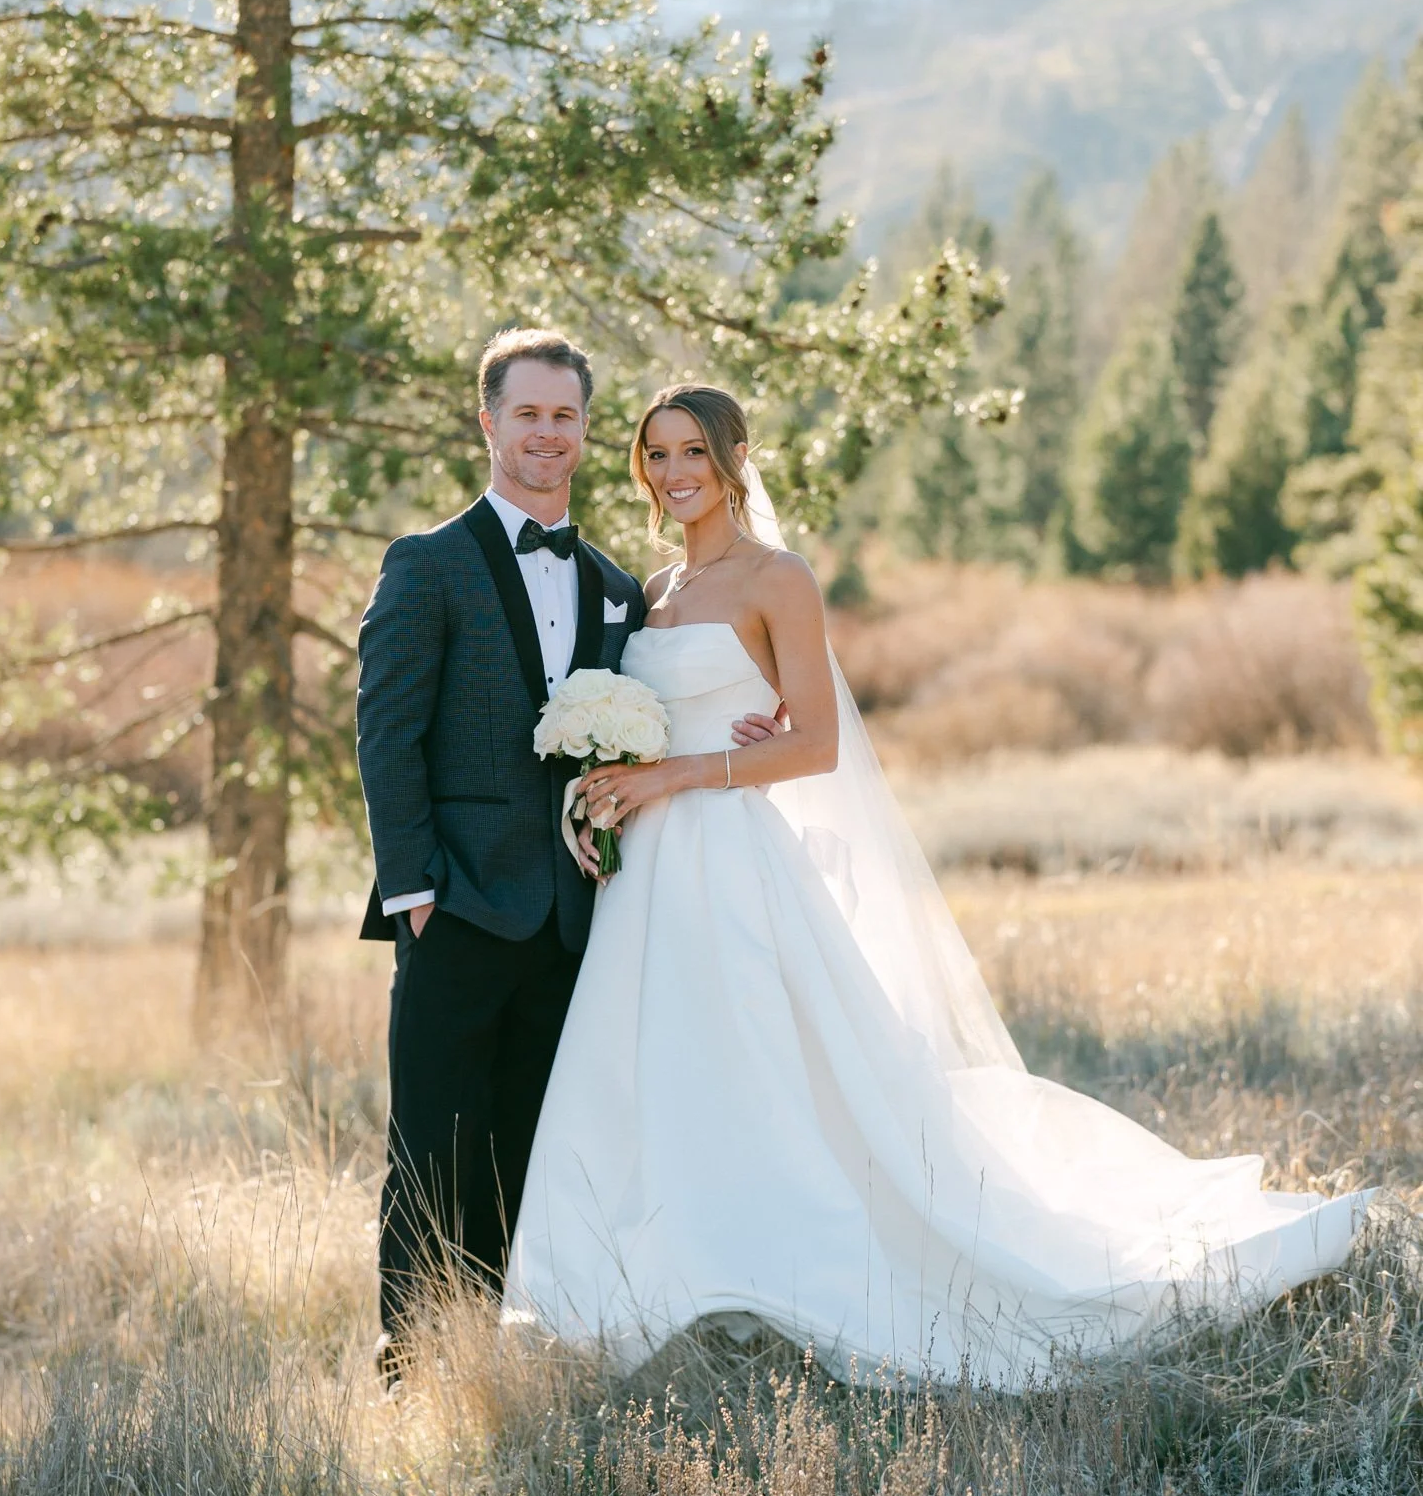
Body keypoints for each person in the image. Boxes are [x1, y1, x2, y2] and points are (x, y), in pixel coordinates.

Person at [504, 382, 1371, 1386]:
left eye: (693, 450)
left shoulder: (776, 578)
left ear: (735, 457)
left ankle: (777, 1267)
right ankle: (648, 1281)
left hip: (732, 857)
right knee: (643, 1062)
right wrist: (606, 789)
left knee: (759, 1063)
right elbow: (656, 718)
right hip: (645, 872)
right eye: (655, 454)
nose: (673, 472)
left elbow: (819, 745)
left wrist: (683, 773)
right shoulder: (647, 594)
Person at [354, 333, 780, 1384]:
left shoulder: (614, 586)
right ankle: (411, 1366)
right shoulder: (428, 562)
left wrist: (746, 737)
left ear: (588, 433)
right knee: (432, 1150)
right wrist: (415, 892)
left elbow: (649, 718)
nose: (549, 435)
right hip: (453, 906)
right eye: (529, 414)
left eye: (567, 418)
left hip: (578, 917)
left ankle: (492, 1357)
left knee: (527, 1154)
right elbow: (385, 733)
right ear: (489, 421)